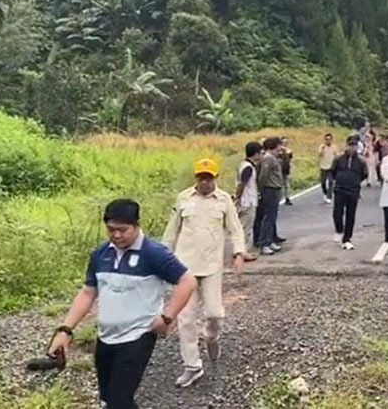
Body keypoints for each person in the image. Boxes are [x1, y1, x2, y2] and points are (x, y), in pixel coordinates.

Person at [46, 199, 196, 409]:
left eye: (123, 230)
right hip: (106, 337)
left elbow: (187, 281)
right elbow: (88, 292)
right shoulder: (101, 254)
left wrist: (167, 317)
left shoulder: (154, 253)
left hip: (138, 335)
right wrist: (65, 330)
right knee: (109, 400)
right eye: (111, 230)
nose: (116, 235)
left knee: (118, 401)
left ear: (137, 225)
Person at [162, 159, 247, 388]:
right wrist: (161, 259)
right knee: (186, 318)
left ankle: (211, 337)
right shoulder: (183, 199)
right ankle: (192, 366)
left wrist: (239, 253)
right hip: (184, 268)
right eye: (201, 177)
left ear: (216, 178)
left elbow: (235, 229)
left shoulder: (224, 200)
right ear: (195, 178)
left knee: (214, 313)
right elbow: (171, 231)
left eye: (209, 177)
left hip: (211, 267)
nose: (205, 181)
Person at [331, 135, 369, 250]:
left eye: (354, 145)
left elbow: (364, 174)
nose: (352, 148)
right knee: (337, 213)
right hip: (340, 189)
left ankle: (347, 238)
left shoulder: (361, 161)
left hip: (353, 190)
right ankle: (339, 229)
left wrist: (355, 182)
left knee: (350, 215)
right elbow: (333, 171)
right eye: (350, 145)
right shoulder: (338, 159)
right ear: (346, 146)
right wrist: (340, 179)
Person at [256, 137, 285, 256]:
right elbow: (263, 176)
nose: (280, 151)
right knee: (268, 217)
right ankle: (265, 243)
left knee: (272, 216)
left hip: (275, 189)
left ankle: (270, 239)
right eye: (278, 149)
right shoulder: (268, 158)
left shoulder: (272, 158)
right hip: (270, 189)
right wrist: (261, 190)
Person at [234, 142, 263, 261]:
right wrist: (238, 197)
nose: (261, 156)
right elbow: (242, 184)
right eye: (260, 153)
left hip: (245, 200)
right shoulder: (248, 168)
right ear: (255, 153)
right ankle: (243, 252)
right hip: (247, 201)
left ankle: (239, 251)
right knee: (245, 228)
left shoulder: (243, 164)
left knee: (241, 227)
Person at [318, 133, 339, 204]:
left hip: (331, 167)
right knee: (323, 182)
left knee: (331, 182)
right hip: (323, 166)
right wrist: (323, 148)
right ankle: (325, 192)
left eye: (329, 139)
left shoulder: (334, 147)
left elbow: (337, 156)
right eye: (327, 139)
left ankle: (329, 197)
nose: (328, 141)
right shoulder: (322, 146)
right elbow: (319, 154)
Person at [280, 137, 294, 206]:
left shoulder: (289, 151)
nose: (285, 143)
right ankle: (280, 198)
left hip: (286, 169)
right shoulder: (279, 151)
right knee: (281, 185)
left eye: (286, 142)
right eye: (284, 142)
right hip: (280, 169)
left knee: (287, 185)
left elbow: (291, 160)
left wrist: (291, 167)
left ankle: (287, 198)